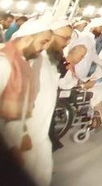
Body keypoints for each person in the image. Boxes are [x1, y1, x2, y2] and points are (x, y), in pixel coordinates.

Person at [21, 19, 71, 186]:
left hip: (40, 132)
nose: (68, 42)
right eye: (65, 38)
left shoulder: (49, 59)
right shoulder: (31, 59)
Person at [0, 19, 53, 167]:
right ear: (28, 38)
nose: (45, 47)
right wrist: (10, 148)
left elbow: (19, 106)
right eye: (43, 42)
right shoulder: (4, 64)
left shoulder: (22, 64)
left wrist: (22, 133)